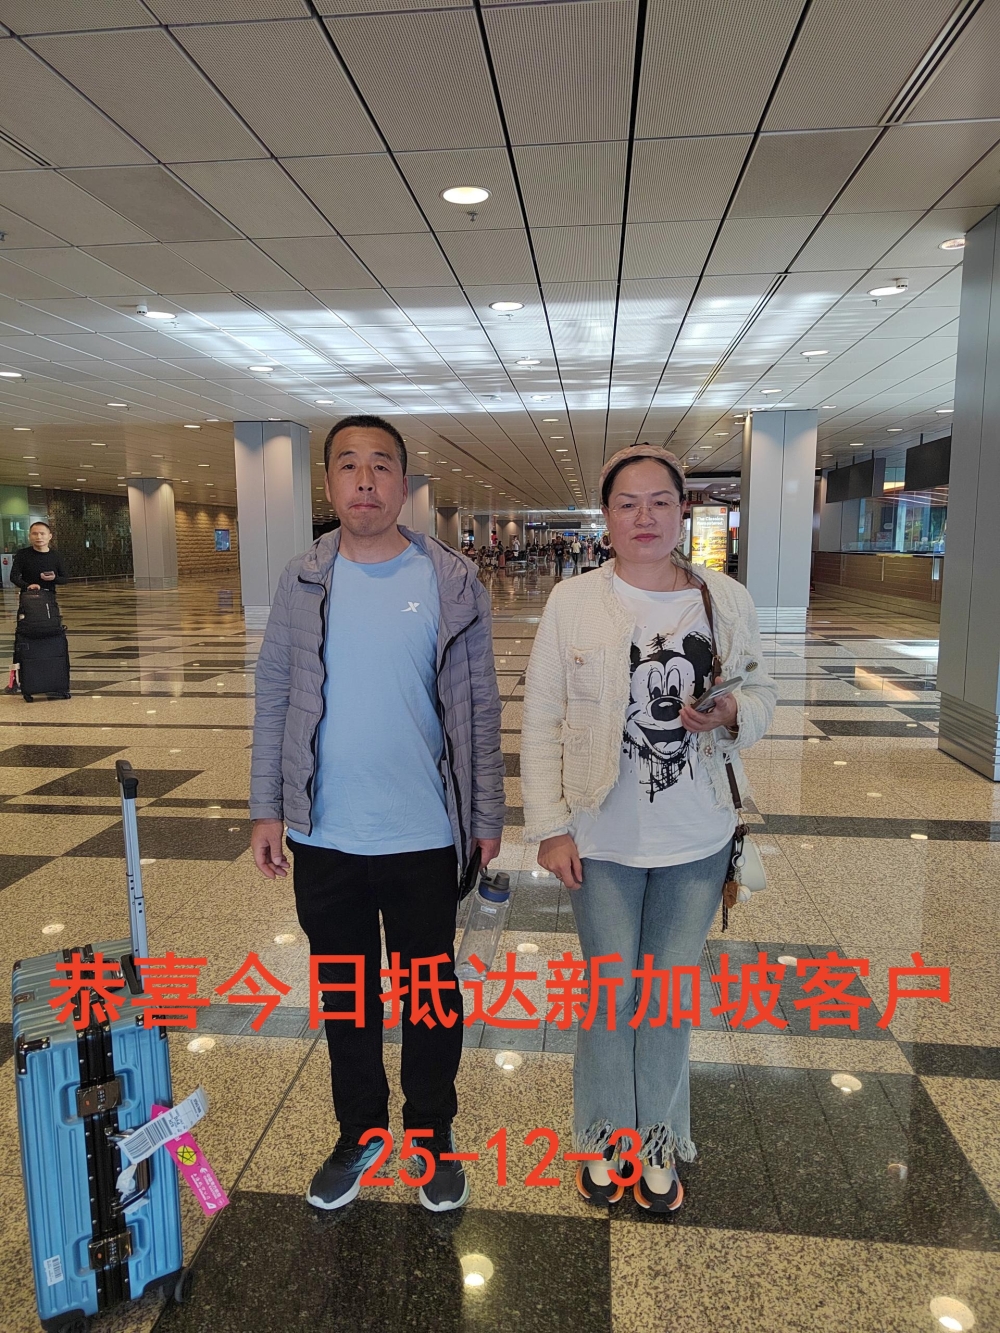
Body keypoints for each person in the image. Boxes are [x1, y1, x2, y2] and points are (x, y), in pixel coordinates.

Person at [250, 413, 505, 1215]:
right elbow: (275, 696)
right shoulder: (302, 579)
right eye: (349, 465)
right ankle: (360, 1130)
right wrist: (266, 808)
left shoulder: (451, 579)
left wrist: (487, 812)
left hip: (424, 832)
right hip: (325, 834)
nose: (365, 479)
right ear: (328, 482)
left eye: (382, 465)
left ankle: (431, 1132)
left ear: (403, 481)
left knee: (429, 992)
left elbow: (480, 707)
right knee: (347, 994)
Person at [520, 443, 776, 1215]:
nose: (644, 516)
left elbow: (761, 693)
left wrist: (732, 710)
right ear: (606, 516)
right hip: (601, 838)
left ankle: (658, 1139)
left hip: (697, 837)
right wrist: (551, 826)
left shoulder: (724, 600)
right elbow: (541, 716)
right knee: (610, 994)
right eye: (627, 503)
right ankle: (606, 1135)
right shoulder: (574, 601)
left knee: (666, 996)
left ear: (682, 511)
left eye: (660, 501)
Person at [10, 521, 67, 594]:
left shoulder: (56, 555)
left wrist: (54, 578)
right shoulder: (22, 554)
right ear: (29, 536)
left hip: (49, 595)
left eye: (42, 533)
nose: (39, 537)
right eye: (35, 534)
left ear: (50, 536)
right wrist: (28, 586)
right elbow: (14, 577)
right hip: (28, 595)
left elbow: (64, 579)